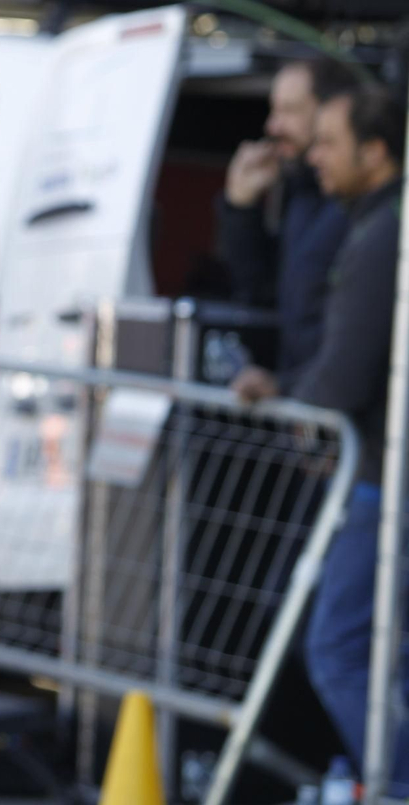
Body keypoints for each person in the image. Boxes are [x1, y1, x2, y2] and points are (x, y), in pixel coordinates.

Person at [234, 83, 406, 786]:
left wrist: (289, 398)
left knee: (336, 647)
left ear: (375, 149)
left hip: (379, 477)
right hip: (375, 470)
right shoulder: (370, 223)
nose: (316, 157)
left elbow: (344, 370)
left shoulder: (382, 233)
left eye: (330, 143)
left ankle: (394, 781)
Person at [219, 57, 353, 381]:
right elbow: (264, 290)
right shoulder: (299, 192)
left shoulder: (359, 204)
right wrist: (241, 208)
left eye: (289, 110)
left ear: (330, 112)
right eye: (274, 110)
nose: (272, 127)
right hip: (305, 408)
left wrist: (288, 389)